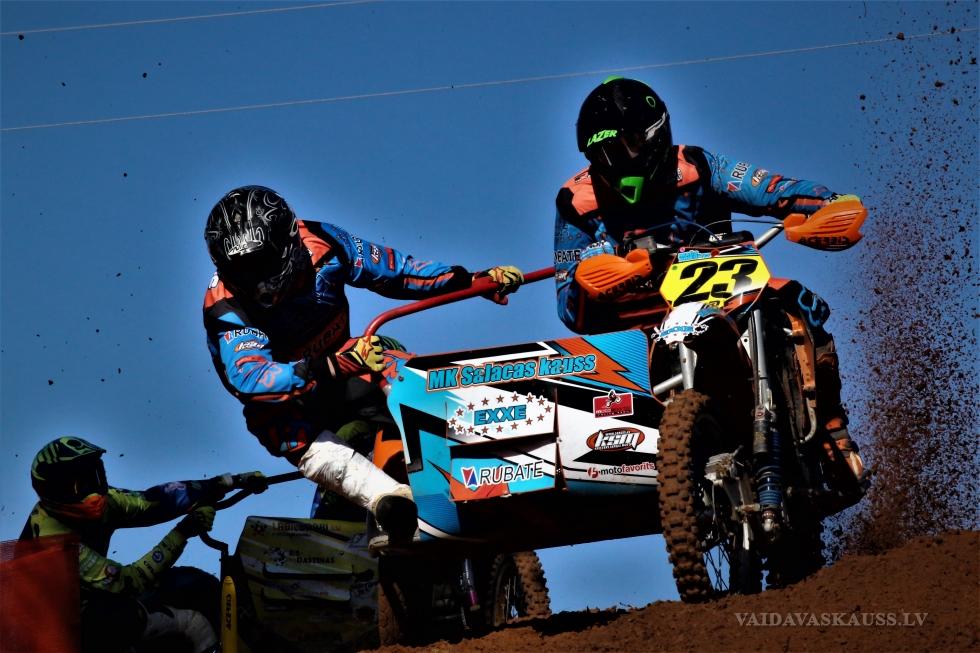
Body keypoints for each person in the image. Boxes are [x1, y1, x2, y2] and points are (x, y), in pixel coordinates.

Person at [554, 76, 865, 485]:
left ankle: (832, 426)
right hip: (642, 321)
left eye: (623, 145)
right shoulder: (576, 200)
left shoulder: (697, 165)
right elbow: (569, 303)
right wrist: (607, 273)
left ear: (653, 134)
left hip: (724, 290)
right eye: (601, 153)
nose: (613, 161)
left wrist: (826, 203)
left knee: (797, 301)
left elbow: (773, 189)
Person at [202, 185, 524, 540]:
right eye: (241, 270)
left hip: (350, 368)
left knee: (386, 353)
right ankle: (386, 500)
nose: (255, 279)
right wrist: (331, 366)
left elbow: (396, 270)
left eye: (260, 263)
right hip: (292, 402)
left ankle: (481, 452)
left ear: (289, 240)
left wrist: (469, 281)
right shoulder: (224, 305)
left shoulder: (325, 241)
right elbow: (249, 378)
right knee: (272, 422)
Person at [21, 436, 266, 653]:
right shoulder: (52, 544)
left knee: (193, 583)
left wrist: (225, 483)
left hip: (95, 607)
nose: (92, 493)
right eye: (77, 486)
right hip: (59, 635)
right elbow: (128, 583)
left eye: (94, 477)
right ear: (52, 493)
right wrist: (184, 531)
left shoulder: (105, 500)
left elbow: (155, 501)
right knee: (121, 616)